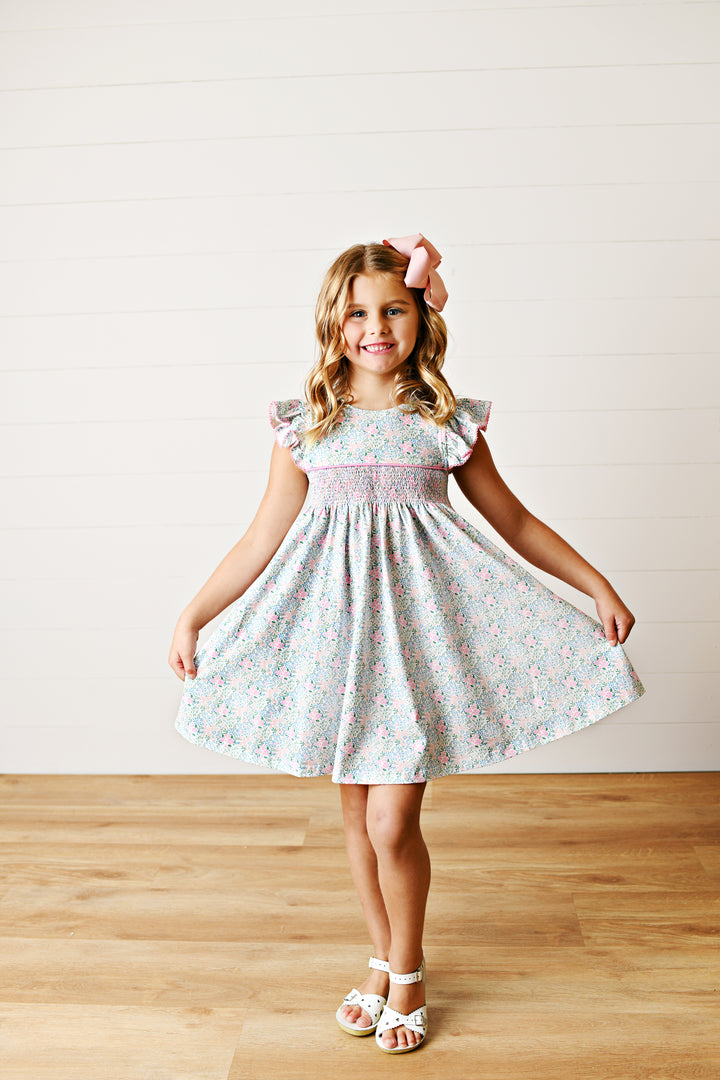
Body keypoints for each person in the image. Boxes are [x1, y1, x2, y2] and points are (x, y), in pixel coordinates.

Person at [168, 233, 646, 1055]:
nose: (375, 328)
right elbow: (259, 539)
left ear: (422, 316)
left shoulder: (442, 422)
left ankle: (411, 970)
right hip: (336, 644)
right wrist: (195, 613)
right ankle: (381, 960)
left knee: (392, 822)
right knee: (359, 817)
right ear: (334, 323)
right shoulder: (307, 426)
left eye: (393, 309)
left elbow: (514, 519)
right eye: (358, 314)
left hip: (413, 644)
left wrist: (594, 583)